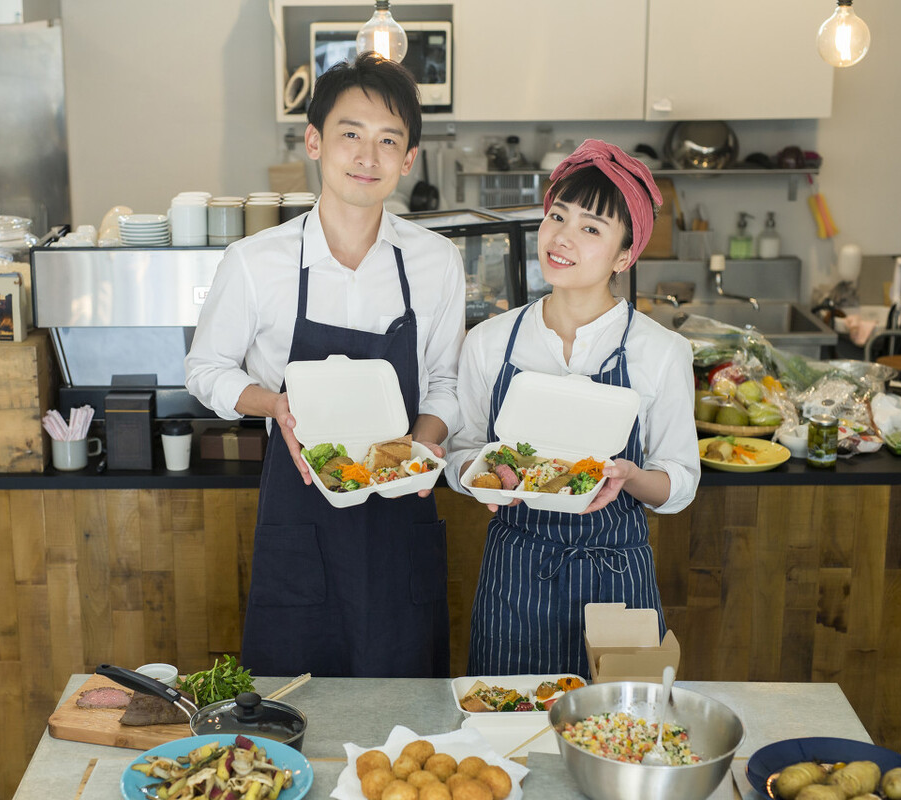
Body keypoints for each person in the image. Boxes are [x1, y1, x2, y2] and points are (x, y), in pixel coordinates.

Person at [184, 52, 465, 678]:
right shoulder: (257, 261)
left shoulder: (435, 261)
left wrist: (419, 450)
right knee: (298, 709)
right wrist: (274, 404)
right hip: (301, 519)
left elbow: (446, 382)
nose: (368, 156)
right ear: (315, 142)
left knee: (407, 715)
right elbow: (205, 368)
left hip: (401, 515)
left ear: (408, 159)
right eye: (350, 134)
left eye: (388, 140)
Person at [442, 139, 700, 677]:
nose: (562, 237)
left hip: (616, 579)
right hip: (516, 577)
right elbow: (460, 451)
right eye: (558, 216)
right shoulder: (490, 342)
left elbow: (679, 479)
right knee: (507, 738)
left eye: (591, 228)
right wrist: (481, 476)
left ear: (625, 256)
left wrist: (629, 476)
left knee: (617, 739)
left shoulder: (660, 352)